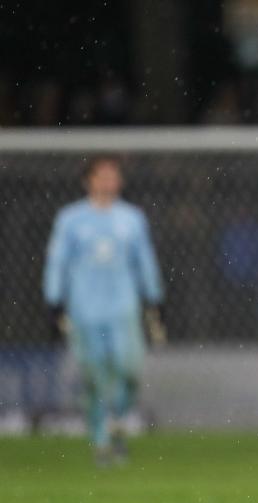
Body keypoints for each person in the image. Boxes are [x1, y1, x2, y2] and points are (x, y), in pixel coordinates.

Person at [43, 156, 164, 465]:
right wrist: (54, 300)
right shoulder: (70, 219)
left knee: (129, 371)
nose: (108, 182)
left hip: (123, 307)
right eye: (102, 176)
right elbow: (58, 261)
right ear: (89, 181)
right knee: (94, 377)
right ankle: (100, 441)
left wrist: (155, 297)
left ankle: (118, 423)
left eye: (113, 176)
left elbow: (144, 260)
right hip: (84, 309)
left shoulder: (132, 218)